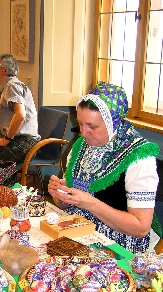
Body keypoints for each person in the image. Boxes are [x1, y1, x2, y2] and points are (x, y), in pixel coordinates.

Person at [48, 81, 160, 253]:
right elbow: (66, 206)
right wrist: (62, 196)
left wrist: (90, 203)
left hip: (118, 243)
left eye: (92, 126)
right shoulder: (81, 147)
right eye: (81, 123)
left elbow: (141, 228)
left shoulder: (139, 158)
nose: (84, 132)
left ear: (112, 124)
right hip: (78, 229)